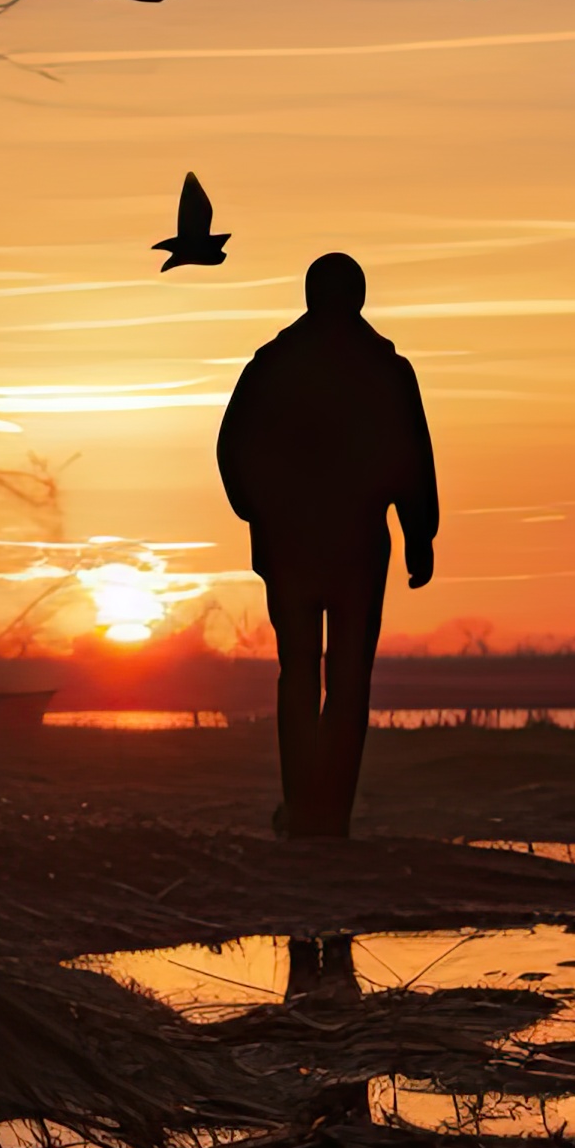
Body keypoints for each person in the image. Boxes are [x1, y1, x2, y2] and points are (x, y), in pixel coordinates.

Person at [213, 253, 438, 838]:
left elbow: (233, 448)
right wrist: (419, 534)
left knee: (304, 675)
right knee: (342, 678)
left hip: (301, 544)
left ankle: (312, 809)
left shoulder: (275, 365)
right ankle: (326, 811)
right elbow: (413, 460)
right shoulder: (384, 370)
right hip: (349, 544)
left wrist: (260, 513)